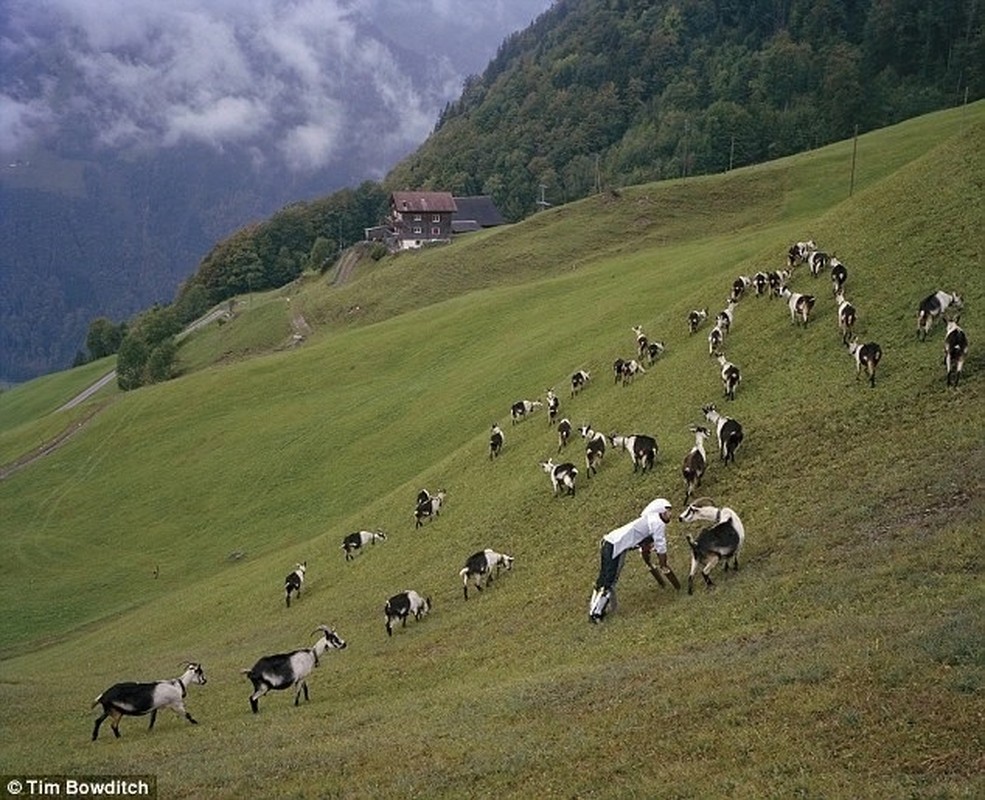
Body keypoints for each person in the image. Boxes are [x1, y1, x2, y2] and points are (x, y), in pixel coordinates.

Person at [589, 497, 679, 622]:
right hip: (614, 546)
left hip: (611, 543)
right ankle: (596, 613)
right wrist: (663, 564)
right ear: (661, 512)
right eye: (668, 511)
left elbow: (645, 545)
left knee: (605, 578)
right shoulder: (657, 522)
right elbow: (660, 545)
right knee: (609, 580)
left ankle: (596, 608)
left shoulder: (648, 520)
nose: (670, 514)